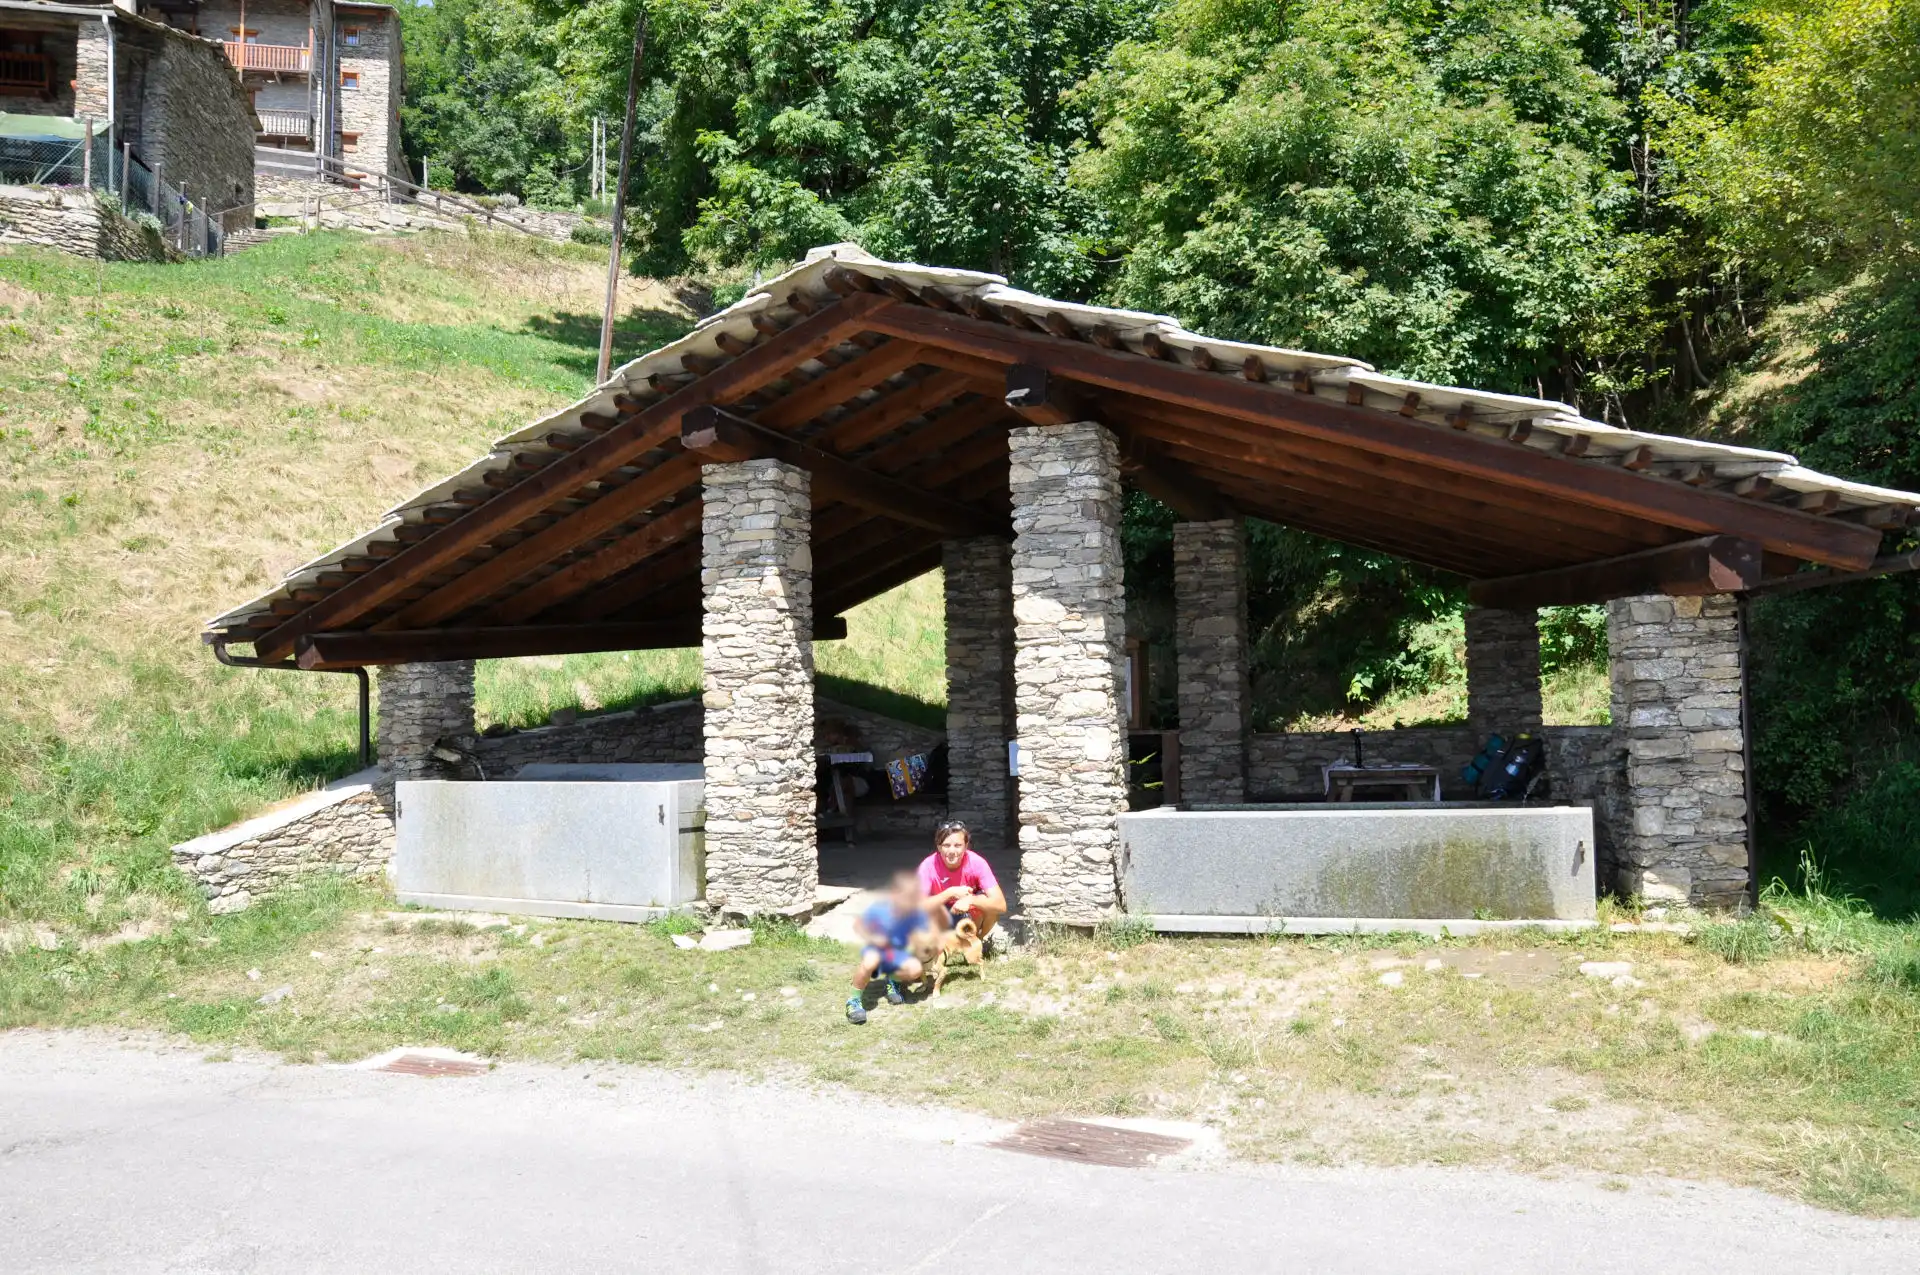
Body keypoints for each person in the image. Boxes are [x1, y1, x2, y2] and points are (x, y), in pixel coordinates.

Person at [846, 869, 930, 1025]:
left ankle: (893, 981)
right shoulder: (879, 908)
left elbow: (923, 935)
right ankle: (854, 1001)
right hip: (877, 950)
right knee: (870, 961)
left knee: (915, 969)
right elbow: (858, 925)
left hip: (898, 954)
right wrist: (873, 937)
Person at [918, 820, 1006, 942]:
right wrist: (950, 893)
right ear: (939, 847)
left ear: (966, 845)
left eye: (958, 845)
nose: (952, 851)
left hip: (969, 914)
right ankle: (941, 944)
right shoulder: (928, 866)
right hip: (942, 914)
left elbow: (1001, 905)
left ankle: (976, 942)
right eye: (946, 845)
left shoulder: (977, 863)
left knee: (985, 901)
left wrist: (971, 900)